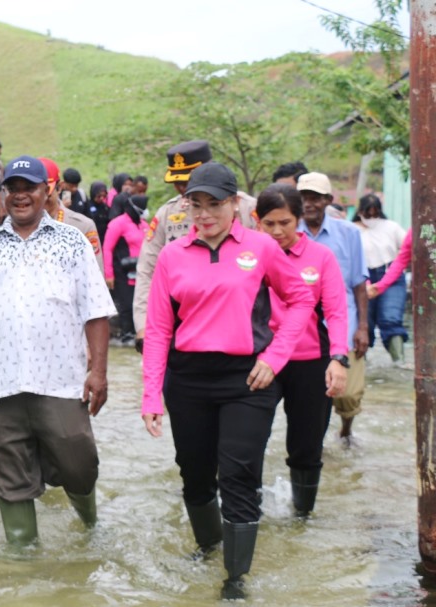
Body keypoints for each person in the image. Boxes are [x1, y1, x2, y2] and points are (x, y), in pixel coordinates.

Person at [141, 162, 314, 600]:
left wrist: (275, 357)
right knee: (196, 475)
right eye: (195, 205)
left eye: (214, 204)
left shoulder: (261, 247)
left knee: (239, 475)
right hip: (188, 380)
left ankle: (235, 578)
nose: (203, 214)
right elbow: (160, 329)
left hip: (247, 380)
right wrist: (150, 394)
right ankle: (209, 546)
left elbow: (299, 300)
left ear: (235, 204)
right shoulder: (172, 255)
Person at [0, 155, 116, 546]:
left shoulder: (72, 241)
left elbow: (96, 311)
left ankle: (89, 524)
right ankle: (25, 569)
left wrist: (99, 371)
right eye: (14, 189)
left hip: (60, 381)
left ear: (47, 192)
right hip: (2, 383)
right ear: (4, 194)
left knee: (79, 464)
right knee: (9, 479)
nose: (21, 196)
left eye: (30, 188)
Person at [256, 184, 348, 517]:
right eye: (270, 224)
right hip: (260, 362)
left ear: (298, 219)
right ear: (258, 221)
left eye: (285, 222)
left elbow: (337, 311)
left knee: (307, 447)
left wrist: (338, 358)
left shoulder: (320, 257)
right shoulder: (248, 256)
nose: (278, 231)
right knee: (249, 440)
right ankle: (246, 511)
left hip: (310, 362)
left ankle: (302, 517)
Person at [133, 140, 257, 352]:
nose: (182, 188)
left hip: (241, 321)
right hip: (183, 321)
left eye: (187, 180)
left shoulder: (245, 208)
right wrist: (144, 325)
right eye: (177, 182)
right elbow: (147, 270)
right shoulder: (168, 214)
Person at [296, 172, 369, 444]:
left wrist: (363, 327)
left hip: (345, 323)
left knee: (348, 394)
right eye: (303, 197)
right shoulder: (290, 234)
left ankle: (346, 429)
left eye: (315, 198)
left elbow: (359, 283)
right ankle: (315, 441)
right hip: (306, 330)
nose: (308, 204)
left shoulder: (348, 233)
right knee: (313, 395)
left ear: (328, 200)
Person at [352, 194, 408, 361]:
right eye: (367, 214)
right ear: (360, 212)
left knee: (391, 318)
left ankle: (400, 363)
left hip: (391, 276)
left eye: (375, 214)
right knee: (363, 323)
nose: (371, 218)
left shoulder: (391, 227)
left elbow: (406, 252)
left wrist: (383, 283)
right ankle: (362, 365)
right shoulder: (352, 229)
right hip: (361, 278)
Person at [40, 157, 104, 273]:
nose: (41, 199)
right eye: (33, 192)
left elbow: (95, 275)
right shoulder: (17, 229)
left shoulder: (84, 226)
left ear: (59, 187)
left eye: (46, 192)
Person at [103, 193, 149, 343]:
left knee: (141, 304)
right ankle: (126, 335)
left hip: (141, 271)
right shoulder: (118, 223)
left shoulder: (144, 224)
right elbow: (107, 248)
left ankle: (139, 335)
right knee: (127, 305)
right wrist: (108, 273)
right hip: (122, 271)